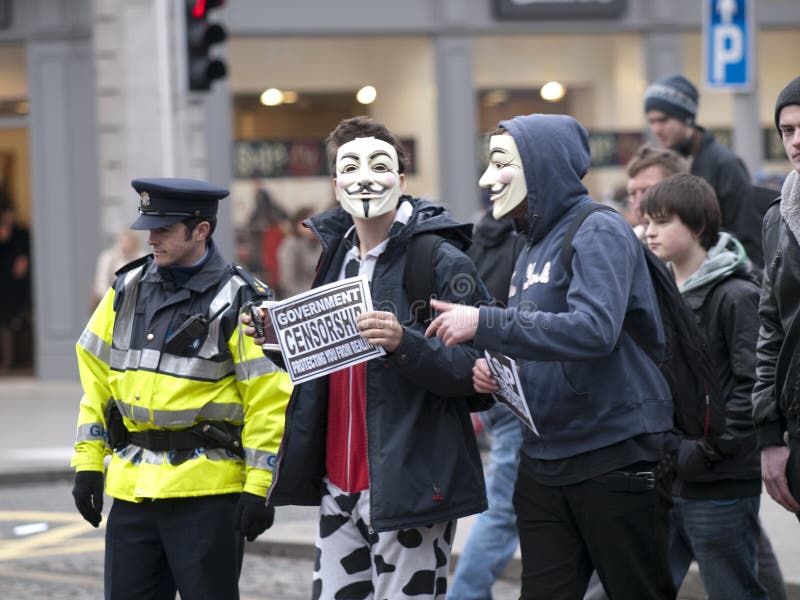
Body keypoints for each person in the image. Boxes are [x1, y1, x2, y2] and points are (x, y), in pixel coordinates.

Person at [426, 114, 677, 599]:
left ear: (540, 167)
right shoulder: (530, 245)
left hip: (614, 453)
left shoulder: (598, 228)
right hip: (544, 459)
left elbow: (594, 330)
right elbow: (542, 339)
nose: (486, 179)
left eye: (500, 163)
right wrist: (500, 371)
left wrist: (486, 322)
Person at [246, 116, 490, 600]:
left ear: (401, 180)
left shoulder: (440, 259)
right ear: (335, 184)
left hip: (410, 485)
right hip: (339, 484)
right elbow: (329, 365)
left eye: (379, 165)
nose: (364, 178)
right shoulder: (335, 256)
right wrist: (282, 343)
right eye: (349, 167)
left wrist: (406, 343)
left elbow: (481, 370)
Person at [70, 177, 293, 600]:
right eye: (149, 227)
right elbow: (95, 381)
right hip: (133, 494)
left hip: (207, 498)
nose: (151, 238)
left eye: (164, 229)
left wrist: (260, 487)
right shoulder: (126, 289)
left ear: (201, 230)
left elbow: (269, 401)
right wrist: (87, 465)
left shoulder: (243, 300)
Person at [641, 172, 768, 599]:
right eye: (646, 221)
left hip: (720, 478)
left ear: (696, 227)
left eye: (662, 221)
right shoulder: (659, 290)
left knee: (732, 589)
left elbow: (753, 386)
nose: (649, 231)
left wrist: (707, 451)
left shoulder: (735, 295)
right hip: (670, 472)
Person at [449, 208, 525, 600]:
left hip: (489, 381)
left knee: (509, 504)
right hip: (517, 385)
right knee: (503, 508)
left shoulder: (476, 237)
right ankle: (465, 594)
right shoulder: (526, 241)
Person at [643, 74, 763, 266]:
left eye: (663, 120)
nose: (656, 129)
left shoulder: (725, 163)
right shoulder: (667, 162)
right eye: (651, 121)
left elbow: (747, 235)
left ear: (687, 118)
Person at [753, 74, 800, 523]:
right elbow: (770, 327)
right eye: (788, 131)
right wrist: (769, 433)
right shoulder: (779, 217)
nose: (796, 141)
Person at [625, 145, 690, 239]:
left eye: (648, 192)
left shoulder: (712, 252)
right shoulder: (628, 245)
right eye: (632, 194)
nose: (637, 205)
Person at [0, 199, 31, 372]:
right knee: (5, 322)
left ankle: (17, 359)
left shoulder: (21, 233)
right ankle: (7, 361)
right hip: (4, 285)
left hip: (18, 287)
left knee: (17, 321)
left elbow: (24, 256)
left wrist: (24, 259)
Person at [90, 229, 143, 311]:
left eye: (128, 241)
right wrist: (113, 300)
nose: (124, 245)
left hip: (135, 305)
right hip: (111, 304)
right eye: (122, 241)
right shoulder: (109, 257)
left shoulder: (143, 258)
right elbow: (101, 283)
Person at [276, 206, 320, 298]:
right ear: (297, 225)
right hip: (299, 297)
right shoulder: (291, 245)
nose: (311, 228)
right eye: (306, 225)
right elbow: (288, 280)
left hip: (319, 294)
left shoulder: (320, 244)